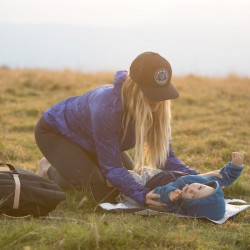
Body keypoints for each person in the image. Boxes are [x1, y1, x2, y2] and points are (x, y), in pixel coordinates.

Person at [35, 51, 198, 207]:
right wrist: (142, 195)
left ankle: (75, 165)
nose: (158, 100)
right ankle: (48, 168)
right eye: (151, 93)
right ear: (135, 88)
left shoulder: (156, 111)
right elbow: (112, 168)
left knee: (130, 177)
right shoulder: (108, 107)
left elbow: (166, 159)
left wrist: (199, 179)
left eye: (161, 93)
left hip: (95, 139)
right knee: (98, 188)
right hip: (57, 133)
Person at [150, 152, 244, 220]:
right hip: (181, 172)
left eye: (194, 196)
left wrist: (169, 194)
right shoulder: (205, 184)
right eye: (200, 187)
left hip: (154, 177)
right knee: (166, 155)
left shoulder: (176, 203)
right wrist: (236, 165)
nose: (192, 189)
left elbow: (155, 197)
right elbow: (223, 178)